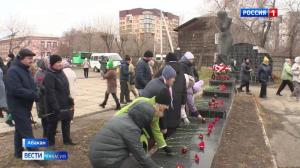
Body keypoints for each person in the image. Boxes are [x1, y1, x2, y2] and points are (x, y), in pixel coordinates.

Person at [89, 96, 169, 168]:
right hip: (107, 161)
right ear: (144, 118)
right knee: (139, 164)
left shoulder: (124, 117)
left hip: (98, 155)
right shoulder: (131, 129)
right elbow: (140, 155)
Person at [115, 88, 172, 155]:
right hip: (120, 123)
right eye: (167, 105)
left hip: (131, 128)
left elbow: (156, 130)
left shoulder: (156, 112)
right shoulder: (142, 101)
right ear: (160, 104)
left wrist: (164, 146)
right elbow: (126, 113)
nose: (168, 107)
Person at [5, 48, 38, 158]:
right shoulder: (13, 71)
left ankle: (18, 153)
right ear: (21, 58)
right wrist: (33, 95)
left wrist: (38, 91)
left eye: (32, 58)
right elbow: (16, 90)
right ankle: (36, 155)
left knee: (20, 130)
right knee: (27, 131)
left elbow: (30, 85)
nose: (31, 61)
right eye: (29, 58)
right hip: (17, 107)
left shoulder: (25, 69)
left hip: (25, 106)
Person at [44, 55, 76, 147]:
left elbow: (66, 88)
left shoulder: (61, 72)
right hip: (54, 105)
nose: (60, 64)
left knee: (66, 122)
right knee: (52, 125)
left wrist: (70, 99)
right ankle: (50, 143)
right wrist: (55, 106)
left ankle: (67, 140)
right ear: (52, 64)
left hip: (65, 103)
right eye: (58, 62)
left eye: (60, 61)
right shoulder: (49, 75)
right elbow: (50, 92)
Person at [155, 53, 187, 136]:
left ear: (166, 61)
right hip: (177, 103)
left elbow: (156, 84)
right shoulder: (182, 72)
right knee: (174, 131)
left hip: (164, 105)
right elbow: (184, 89)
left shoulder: (162, 70)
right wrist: (183, 104)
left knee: (165, 129)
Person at [34, 59, 48, 137]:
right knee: (44, 117)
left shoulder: (47, 72)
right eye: (46, 63)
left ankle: (49, 131)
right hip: (41, 99)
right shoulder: (38, 74)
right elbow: (37, 86)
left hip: (47, 98)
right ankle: (45, 134)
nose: (47, 64)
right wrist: (43, 88)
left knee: (48, 116)